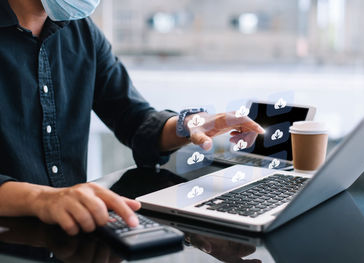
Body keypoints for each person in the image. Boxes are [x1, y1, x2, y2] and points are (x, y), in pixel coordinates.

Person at [0, 0, 265, 235]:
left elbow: (134, 118)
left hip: (73, 233)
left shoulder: (82, 31)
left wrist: (189, 125)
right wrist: (42, 199)